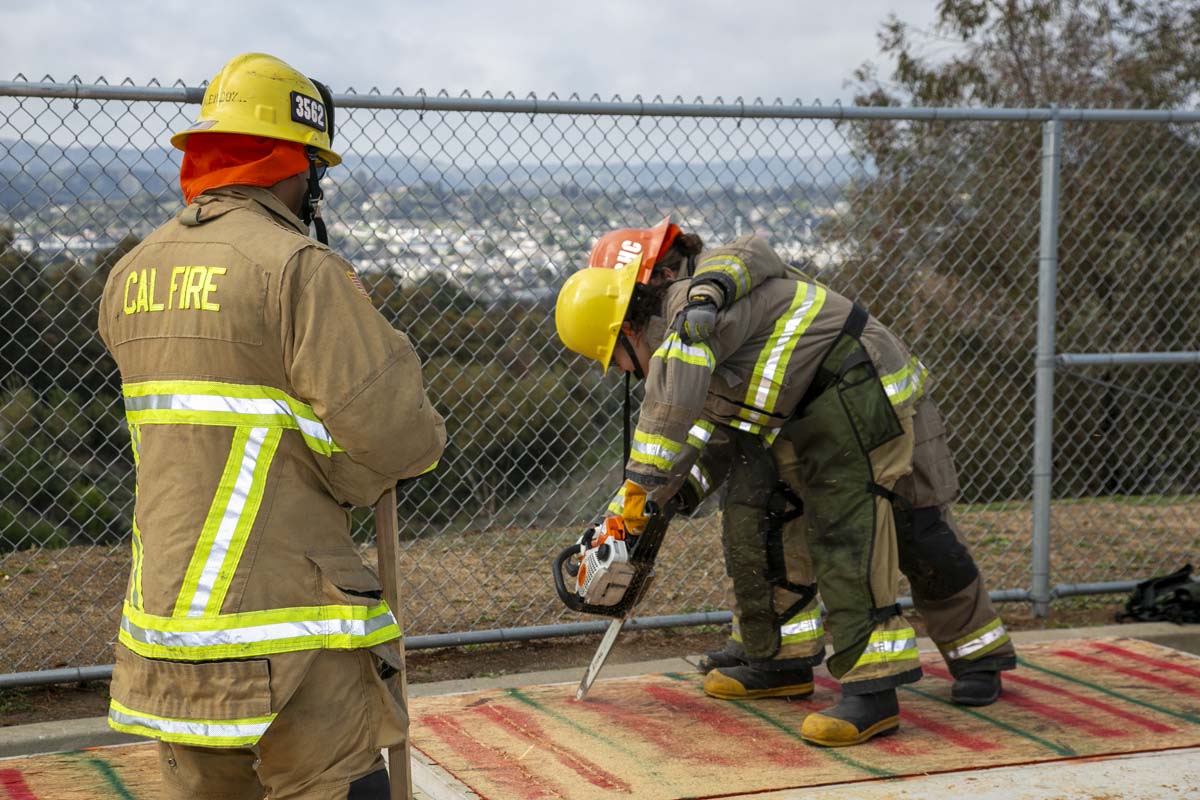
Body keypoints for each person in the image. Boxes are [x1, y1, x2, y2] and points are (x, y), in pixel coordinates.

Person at [97, 53, 446, 799]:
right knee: (339, 784)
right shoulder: (297, 269)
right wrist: (350, 473)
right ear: (296, 167)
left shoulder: (133, 273)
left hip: (170, 628)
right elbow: (399, 436)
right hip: (291, 635)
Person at [557, 220, 1013, 747]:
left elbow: (671, 404)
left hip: (860, 391)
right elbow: (711, 432)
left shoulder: (695, 311)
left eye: (615, 359)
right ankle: (778, 660)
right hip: (797, 415)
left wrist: (639, 489)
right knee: (757, 515)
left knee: (870, 531)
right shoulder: (694, 320)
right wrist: (665, 497)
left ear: (627, 328)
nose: (625, 373)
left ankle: (899, 681)